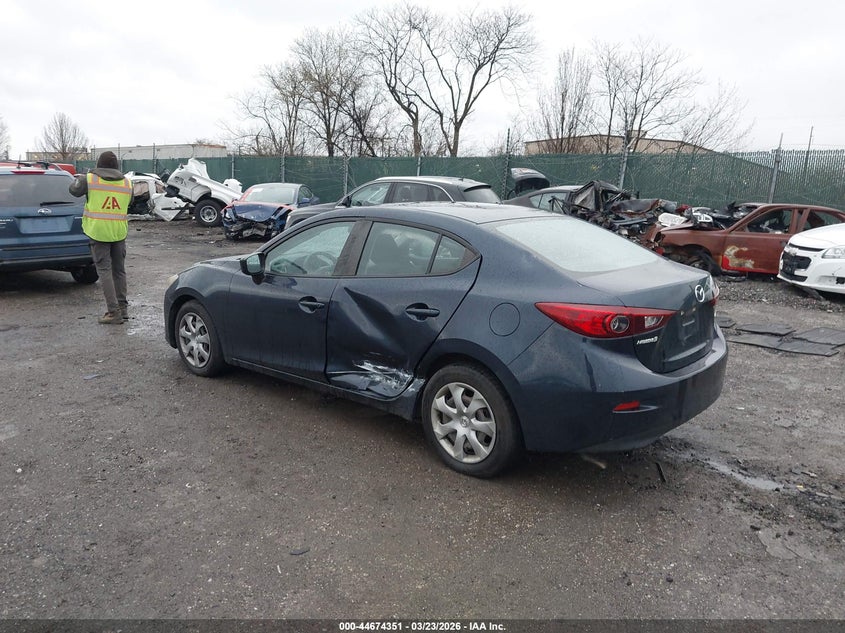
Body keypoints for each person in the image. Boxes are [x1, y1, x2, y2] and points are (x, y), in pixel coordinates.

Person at [69, 151, 133, 324]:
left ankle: (113, 313)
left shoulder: (89, 179)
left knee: (104, 271)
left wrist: (83, 176)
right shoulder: (127, 183)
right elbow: (129, 202)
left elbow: (73, 190)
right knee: (119, 271)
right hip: (119, 232)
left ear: (98, 164)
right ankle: (123, 309)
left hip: (98, 232)